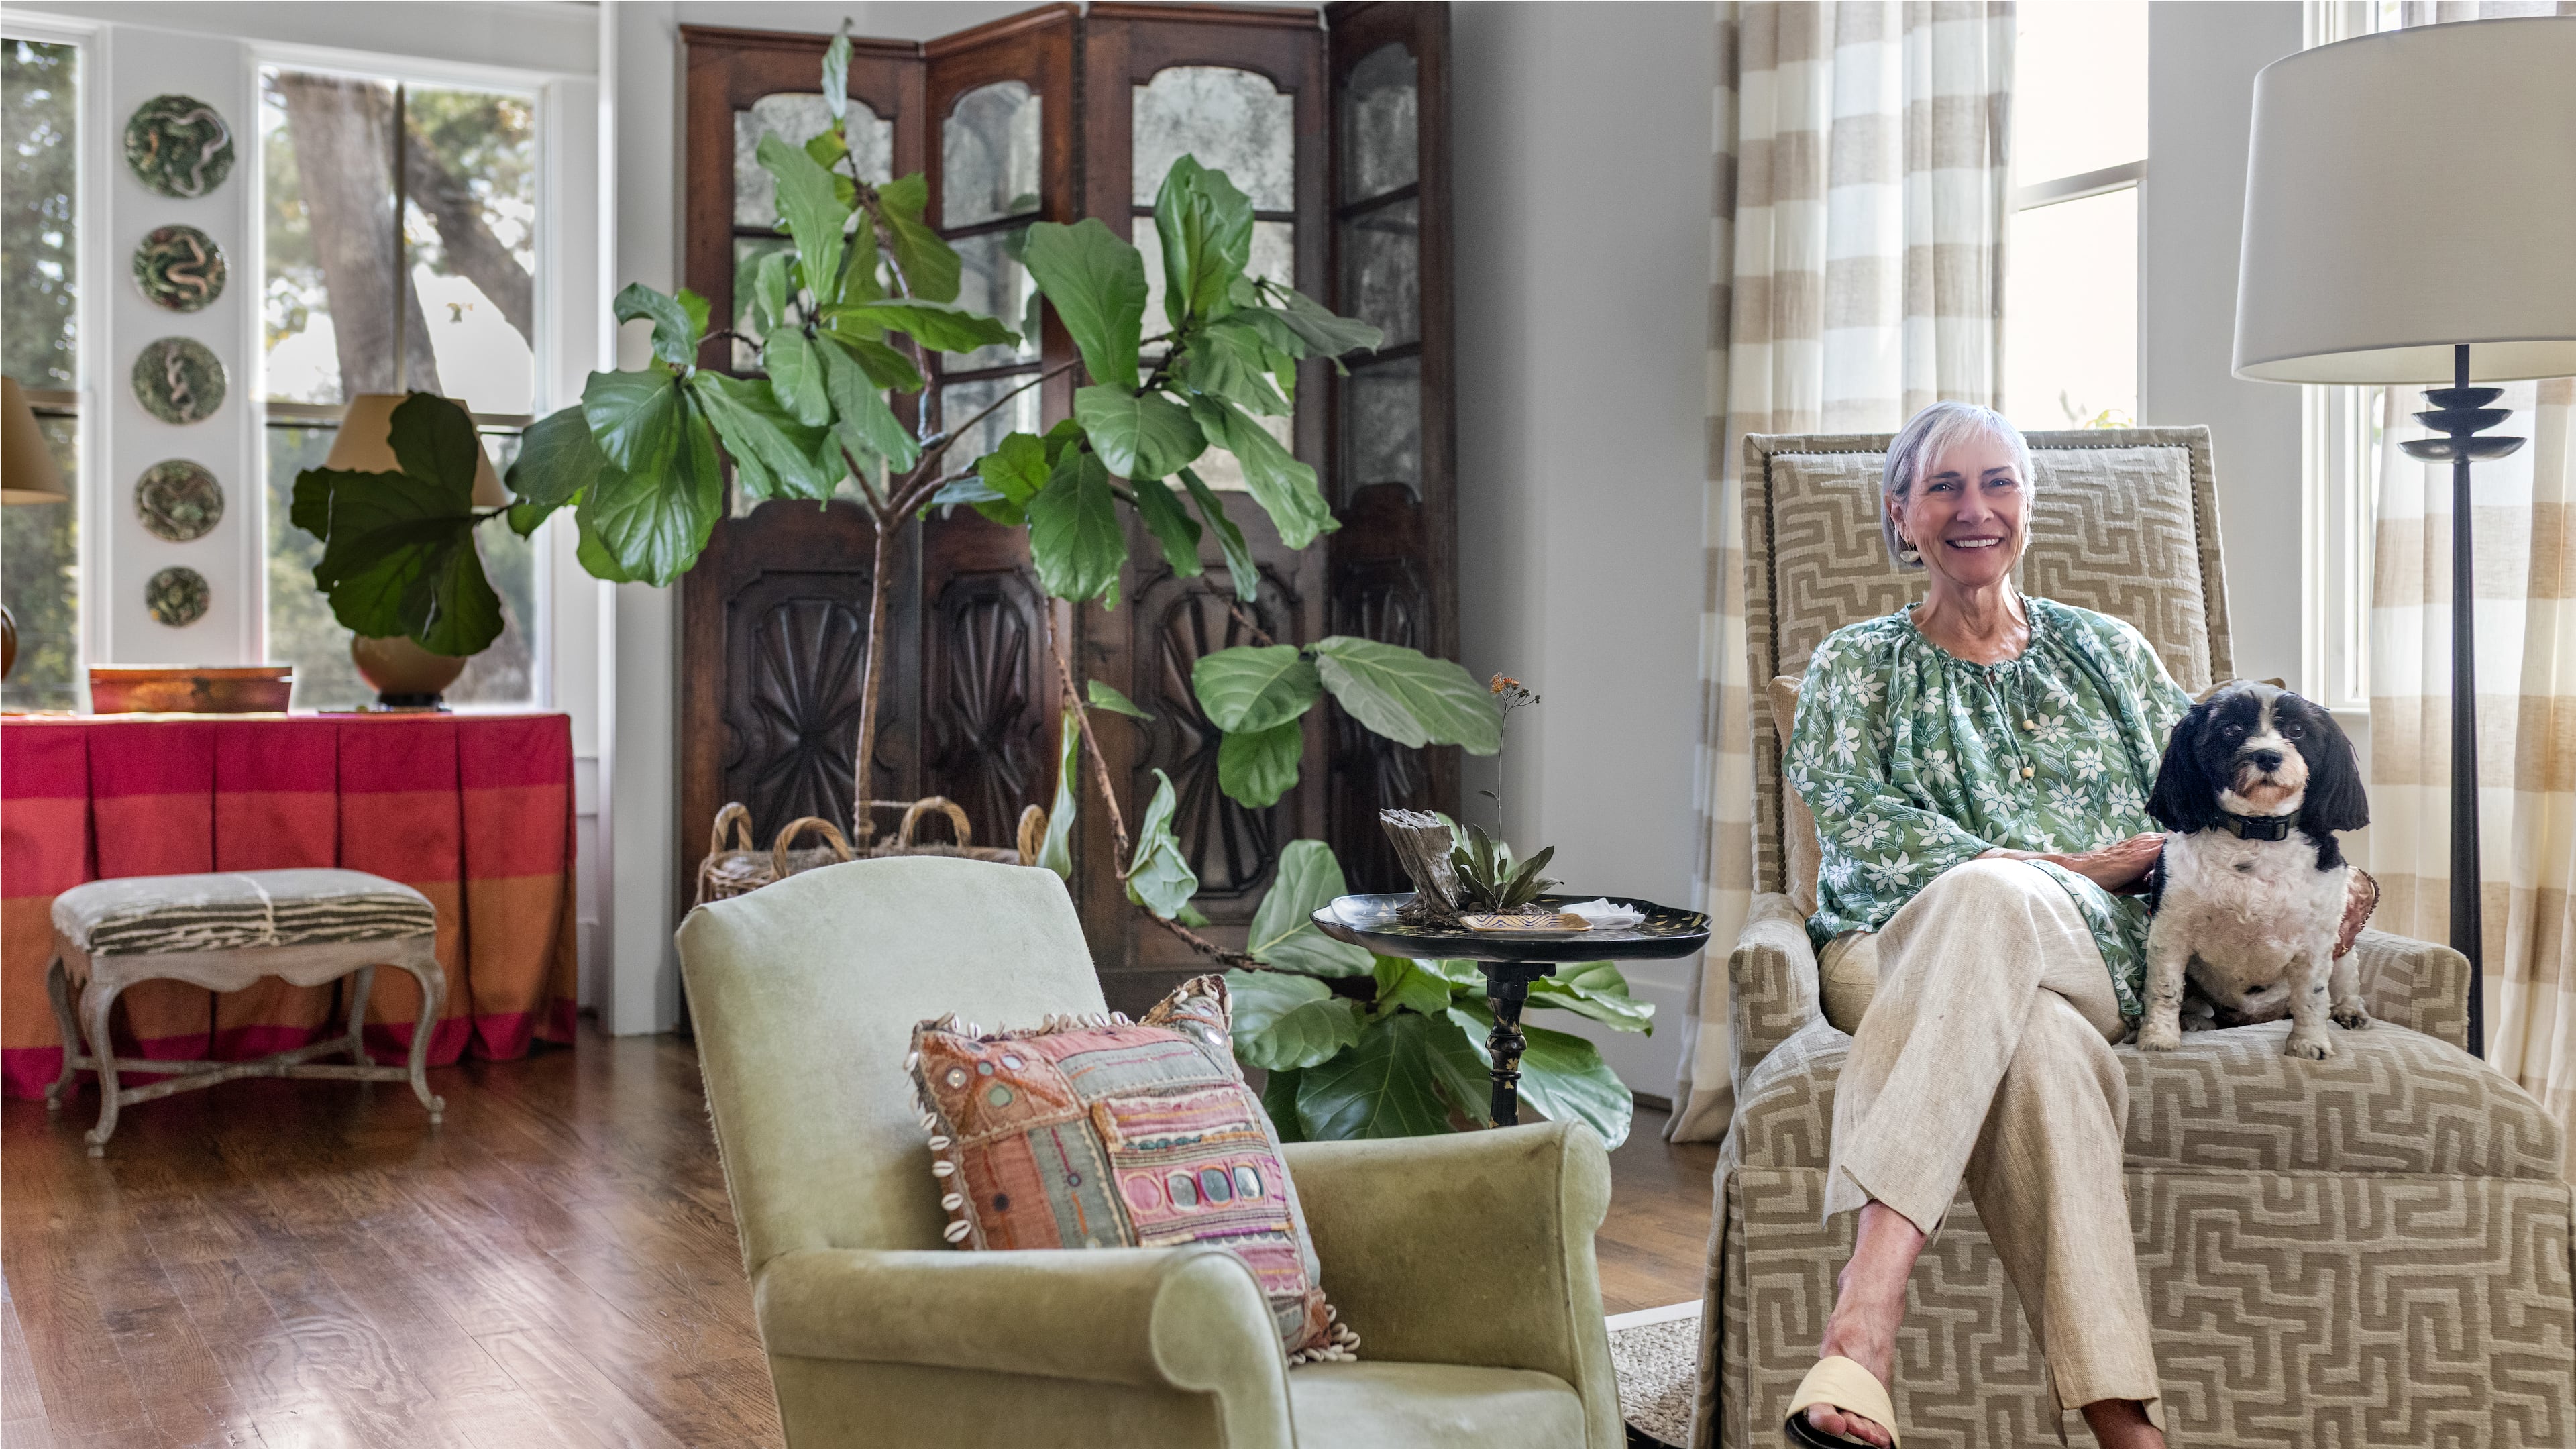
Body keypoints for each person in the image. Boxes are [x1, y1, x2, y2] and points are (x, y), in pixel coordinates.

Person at [1778, 401, 2180, 1449]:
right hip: (1893, 946)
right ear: (1899, 512)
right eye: (1944, 487)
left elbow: (2213, 788)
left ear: (2028, 504)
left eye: (1998, 482)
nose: (1975, 509)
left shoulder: (2108, 653)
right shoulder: (1854, 664)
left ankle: (1864, 1322)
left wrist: (2326, 872)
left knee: (1994, 896)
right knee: (2036, 1043)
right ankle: (2126, 1426)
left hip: (2095, 948)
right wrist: (2072, 862)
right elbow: (1859, 827)